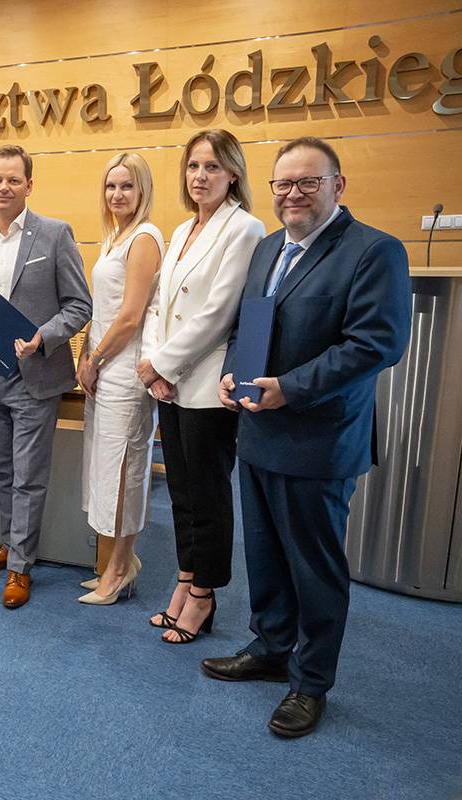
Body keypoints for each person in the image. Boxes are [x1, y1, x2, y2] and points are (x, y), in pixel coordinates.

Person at [205, 137, 412, 738]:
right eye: (283, 183)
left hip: (319, 440)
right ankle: (271, 648)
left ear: (337, 186)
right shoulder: (268, 248)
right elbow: (247, 326)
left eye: (308, 182)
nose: (292, 194)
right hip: (258, 431)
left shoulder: (374, 251)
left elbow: (376, 344)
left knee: (314, 568)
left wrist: (290, 389)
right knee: (265, 555)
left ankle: (311, 681)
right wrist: (232, 374)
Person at [0, 144, 92, 608]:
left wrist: (41, 336)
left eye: (14, 180)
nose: (3, 187)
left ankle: (20, 567)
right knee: (2, 471)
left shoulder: (54, 234)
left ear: (29, 185)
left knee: (28, 477)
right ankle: (9, 546)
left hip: (34, 376)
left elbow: (79, 304)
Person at [138, 129, 265, 643]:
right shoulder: (183, 227)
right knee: (182, 494)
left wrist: (163, 366)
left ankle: (205, 593)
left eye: (212, 166)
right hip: (169, 382)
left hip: (208, 384)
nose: (200, 176)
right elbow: (158, 305)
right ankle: (185, 577)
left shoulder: (245, 228)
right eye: (193, 166)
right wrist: (154, 366)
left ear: (233, 173)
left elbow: (218, 313)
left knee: (208, 496)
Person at [75, 153, 163, 604]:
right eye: (111, 186)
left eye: (127, 186)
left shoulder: (145, 237)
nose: (117, 194)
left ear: (142, 190)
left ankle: (120, 568)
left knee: (125, 472)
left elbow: (130, 316)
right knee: (105, 471)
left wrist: (96, 358)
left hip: (125, 375)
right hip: (102, 369)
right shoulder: (114, 236)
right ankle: (118, 562)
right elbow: (102, 307)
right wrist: (84, 353)